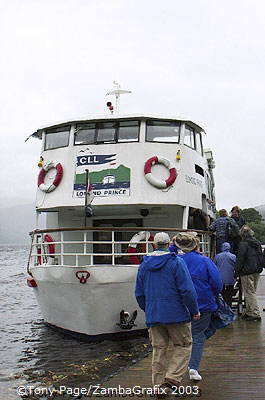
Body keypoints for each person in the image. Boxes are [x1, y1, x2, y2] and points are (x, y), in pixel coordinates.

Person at [135, 232, 200, 395]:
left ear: (154, 245)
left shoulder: (144, 265)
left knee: (159, 349)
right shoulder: (176, 262)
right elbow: (187, 290)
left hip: (154, 314)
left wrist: (148, 309)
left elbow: (139, 293)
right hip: (176, 313)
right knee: (183, 345)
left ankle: (158, 386)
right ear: (168, 244)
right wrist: (194, 310)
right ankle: (172, 376)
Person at [174, 232, 223, 381]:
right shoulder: (205, 260)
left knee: (179, 337)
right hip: (203, 303)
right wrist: (211, 294)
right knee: (197, 335)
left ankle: (175, 369)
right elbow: (217, 283)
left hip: (180, 304)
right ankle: (193, 368)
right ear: (196, 245)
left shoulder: (175, 260)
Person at [235, 226, 263, 321]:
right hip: (257, 270)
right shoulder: (257, 243)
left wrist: (236, 271)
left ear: (242, 234)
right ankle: (248, 311)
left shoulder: (243, 244)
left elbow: (240, 259)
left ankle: (255, 313)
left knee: (249, 292)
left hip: (247, 271)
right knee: (252, 292)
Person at [214, 242, 236, 307]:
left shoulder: (217, 256)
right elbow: (236, 267)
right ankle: (229, 306)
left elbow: (214, 267)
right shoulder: (233, 256)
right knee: (229, 294)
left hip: (220, 280)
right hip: (230, 279)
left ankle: (222, 307)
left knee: (221, 295)